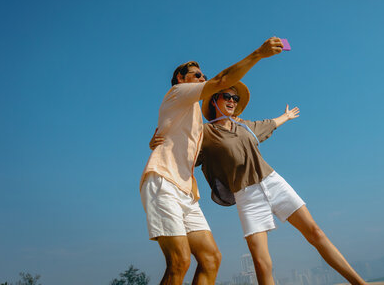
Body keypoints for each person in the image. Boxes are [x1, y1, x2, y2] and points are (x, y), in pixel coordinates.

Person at [150, 83, 371, 285]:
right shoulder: (204, 133)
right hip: (247, 197)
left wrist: (285, 116)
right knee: (262, 263)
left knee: (316, 233)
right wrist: (157, 143)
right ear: (214, 100)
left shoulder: (246, 126)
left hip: (273, 182)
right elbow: (181, 149)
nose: (232, 101)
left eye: (235, 99)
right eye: (227, 96)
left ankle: (359, 283)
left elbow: (270, 124)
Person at [140, 37, 283, 285]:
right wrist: (258, 53)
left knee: (211, 258)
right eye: (196, 75)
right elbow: (220, 80)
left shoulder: (192, 116)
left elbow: (173, 136)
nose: (202, 78)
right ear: (181, 80)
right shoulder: (177, 93)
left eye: (203, 75)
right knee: (180, 261)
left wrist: (153, 141)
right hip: (163, 181)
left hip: (186, 191)